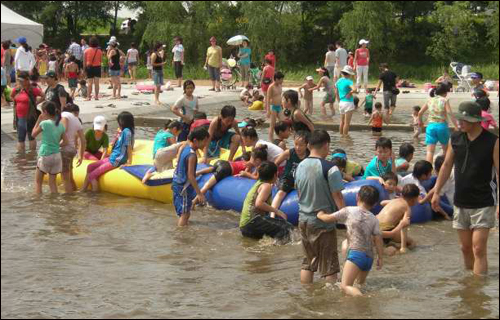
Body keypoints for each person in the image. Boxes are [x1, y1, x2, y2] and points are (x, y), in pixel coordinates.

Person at [432, 101, 499, 276]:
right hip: (460, 201)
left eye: (464, 120)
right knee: (465, 248)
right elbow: (446, 165)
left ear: (476, 121)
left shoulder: (492, 141)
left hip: (484, 201)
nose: (460, 123)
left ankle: (478, 289)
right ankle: (470, 288)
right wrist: (437, 191)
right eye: (459, 119)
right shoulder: (455, 138)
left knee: (478, 249)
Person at [295, 130, 345, 284]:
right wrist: (346, 218)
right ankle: (329, 301)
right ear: (326, 145)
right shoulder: (330, 168)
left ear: (309, 145)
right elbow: (338, 197)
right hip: (323, 222)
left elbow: (299, 193)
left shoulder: (299, 166)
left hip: (303, 220)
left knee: (308, 263)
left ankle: (307, 293)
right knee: (329, 265)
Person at [317, 185, 384, 297]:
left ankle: (364, 300)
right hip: (369, 258)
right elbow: (378, 239)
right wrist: (380, 258)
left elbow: (328, 219)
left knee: (345, 286)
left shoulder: (348, 211)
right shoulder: (374, 218)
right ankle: (360, 309)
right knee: (359, 285)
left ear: (357, 197)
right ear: (375, 204)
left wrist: (320, 214)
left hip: (356, 254)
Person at [82, 112, 135, 192]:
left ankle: (94, 197)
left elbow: (129, 147)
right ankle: (83, 189)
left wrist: (129, 162)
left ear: (122, 122)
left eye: (119, 122)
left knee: (92, 175)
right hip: (112, 157)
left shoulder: (127, 132)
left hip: (116, 160)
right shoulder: (123, 131)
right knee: (90, 167)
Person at [239, 161, 292, 241]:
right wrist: (277, 211)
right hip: (252, 223)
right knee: (287, 228)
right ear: (275, 175)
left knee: (277, 226)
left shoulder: (259, 183)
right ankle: (277, 250)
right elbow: (259, 203)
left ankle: (268, 246)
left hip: (245, 226)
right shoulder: (266, 186)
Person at [173, 127, 210, 227]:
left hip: (177, 183)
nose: (206, 144)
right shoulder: (192, 156)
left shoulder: (185, 147)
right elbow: (190, 176)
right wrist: (200, 194)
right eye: (204, 141)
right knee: (185, 214)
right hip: (183, 187)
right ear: (195, 140)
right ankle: (180, 238)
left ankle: (183, 230)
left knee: (185, 212)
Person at [31, 101, 67, 194]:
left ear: (45, 112)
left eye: (42, 112)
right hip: (56, 156)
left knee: (38, 182)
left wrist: (39, 120)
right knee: (53, 183)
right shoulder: (61, 125)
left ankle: (38, 203)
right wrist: (56, 145)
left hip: (45, 154)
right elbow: (65, 142)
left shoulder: (44, 123)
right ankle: (54, 203)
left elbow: (33, 134)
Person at [418, 83, 459, 163]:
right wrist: (456, 125)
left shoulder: (430, 100)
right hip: (441, 126)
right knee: (445, 150)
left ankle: (428, 170)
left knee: (430, 151)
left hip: (431, 126)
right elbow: (449, 113)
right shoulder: (444, 100)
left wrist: (421, 122)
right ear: (445, 93)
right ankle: (443, 167)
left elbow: (420, 113)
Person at [272, 131, 310, 210]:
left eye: (301, 145)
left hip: (302, 180)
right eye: (296, 144)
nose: (297, 148)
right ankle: (272, 213)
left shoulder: (310, 155)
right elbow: (275, 164)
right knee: (280, 193)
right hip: (288, 178)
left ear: (307, 145)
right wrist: (274, 178)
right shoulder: (289, 153)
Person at [377, 184, 419, 255]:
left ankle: (389, 244)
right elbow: (404, 228)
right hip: (385, 229)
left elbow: (382, 202)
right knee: (412, 243)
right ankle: (395, 249)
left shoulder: (395, 200)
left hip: (374, 226)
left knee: (394, 230)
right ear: (414, 199)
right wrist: (403, 247)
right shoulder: (407, 208)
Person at [11, 71, 45, 152]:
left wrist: (36, 103)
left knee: (31, 137)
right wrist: (17, 104)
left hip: (30, 117)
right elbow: (12, 96)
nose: (20, 82)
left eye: (22, 81)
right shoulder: (17, 89)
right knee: (20, 138)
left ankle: (32, 155)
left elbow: (43, 96)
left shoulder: (33, 89)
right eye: (19, 80)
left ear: (27, 80)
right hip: (19, 117)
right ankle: (21, 158)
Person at [60, 103, 86, 193]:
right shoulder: (77, 120)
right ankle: (75, 194)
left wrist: (57, 143)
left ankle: (69, 201)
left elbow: (64, 130)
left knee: (65, 178)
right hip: (72, 151)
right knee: (70, 176)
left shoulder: (64, 115)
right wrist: (81, 156)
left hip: (64, 150)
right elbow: (83, 140)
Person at [335, 66, 358, 135]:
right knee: (347, 123)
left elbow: (336, 92)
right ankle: (345, 138)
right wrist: (350, 92)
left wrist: (339, 101)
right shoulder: (349, 82)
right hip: (348, 103)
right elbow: (355, 89)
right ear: (349, 74)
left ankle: (341, 136)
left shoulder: (338, 81)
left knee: (342, 122)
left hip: (341, 102)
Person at [266, 71, 285, 142]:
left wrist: (283, 106)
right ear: (276, 79)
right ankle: (271, 140)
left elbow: (280, 96)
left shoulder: (280, 85)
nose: (282, 81)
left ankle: (281, 138)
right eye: (281, 79)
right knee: (272, 125)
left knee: (283, 123)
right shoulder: (271, 87)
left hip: (279, 106)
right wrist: (268, 111)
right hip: (273, 107)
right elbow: (267, 99)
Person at [83, 37, 102, 101]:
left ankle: (88, 97)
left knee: (89, 83)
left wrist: (84, 69)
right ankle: (96, 96)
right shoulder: (99, 51)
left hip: (89, 67)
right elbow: (100, 60)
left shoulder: (86, 50)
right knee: (97, 83)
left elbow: (84, 61)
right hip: (97, 67)